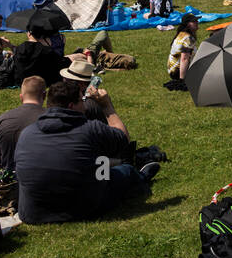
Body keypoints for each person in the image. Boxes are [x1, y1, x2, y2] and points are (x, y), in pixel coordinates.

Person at [14, 74, 157, 224]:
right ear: (71, 106)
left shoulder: (27, 133)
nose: (84, 106)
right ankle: (141, 177)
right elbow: (123, 138)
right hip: (82, 207)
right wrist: (106, 106)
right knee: (123, 170)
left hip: (34, 213)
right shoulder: (89, 129)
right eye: (81, 101)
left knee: (100, 163)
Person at [0, 76, 46, 172]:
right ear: (44, 95)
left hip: (9, 181)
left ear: (21, 97)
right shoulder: (51, 119)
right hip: (41, 179)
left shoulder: (3, 119)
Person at [166, 15, 199, 83]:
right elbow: (184, 59)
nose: (197, 22)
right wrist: (182, 80)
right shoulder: (188, 39)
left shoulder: (182, 34)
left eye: (197, 20)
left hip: (173, 71)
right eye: (194, 21)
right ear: (188, 24)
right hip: (179, 72)